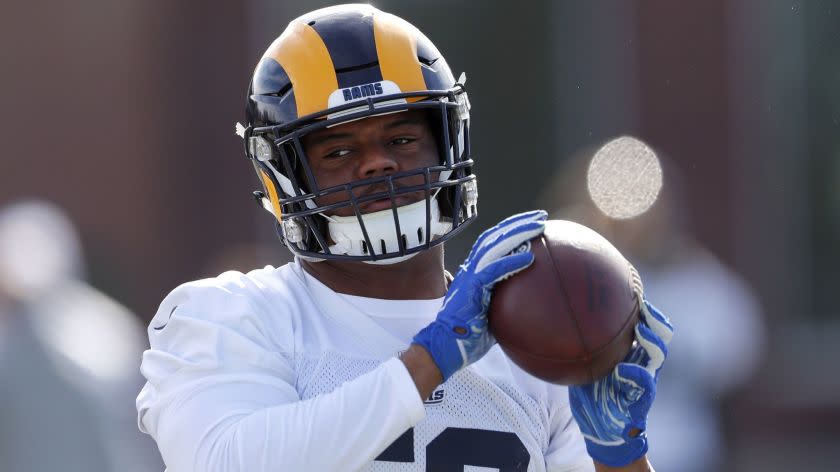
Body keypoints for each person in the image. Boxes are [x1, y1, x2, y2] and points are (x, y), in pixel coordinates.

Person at [136, 5, 673, 471]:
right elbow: (227, 463)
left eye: (402, 137)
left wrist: (618, 457)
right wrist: (431, 359)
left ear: (448, 145)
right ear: (282, 176)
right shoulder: (233, 317)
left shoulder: (534, 336)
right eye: (338, 152)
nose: (378, 162)